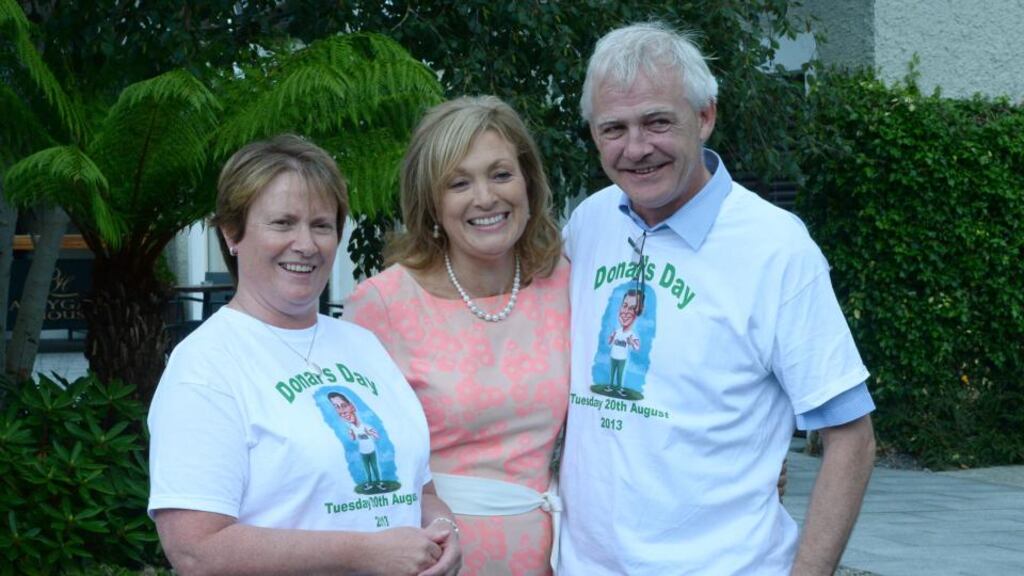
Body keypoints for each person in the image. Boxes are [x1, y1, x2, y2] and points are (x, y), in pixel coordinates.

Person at [558, 22, 877, 575]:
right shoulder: (588, 223)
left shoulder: (777, 249)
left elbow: (851, 437)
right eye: (614, 128)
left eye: (658, 121)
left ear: (705, 116)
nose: (636, 148)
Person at [148, 134, 461, 576]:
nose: (306, 244)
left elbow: (419, 491)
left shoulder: (363, 346)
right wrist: (366, 553)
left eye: (321, 224)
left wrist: (445, 530)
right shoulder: (205, 365)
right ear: (232, 233)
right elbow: (197, 551)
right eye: (282, 223)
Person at [344, 96, 568, 576]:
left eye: (501, 174)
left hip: (557, 555)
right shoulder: (381, 306)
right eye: (459, 183)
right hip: (437, 557)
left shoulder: (563, 282)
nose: (485, 197)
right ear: (431, 203)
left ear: (529, 183)